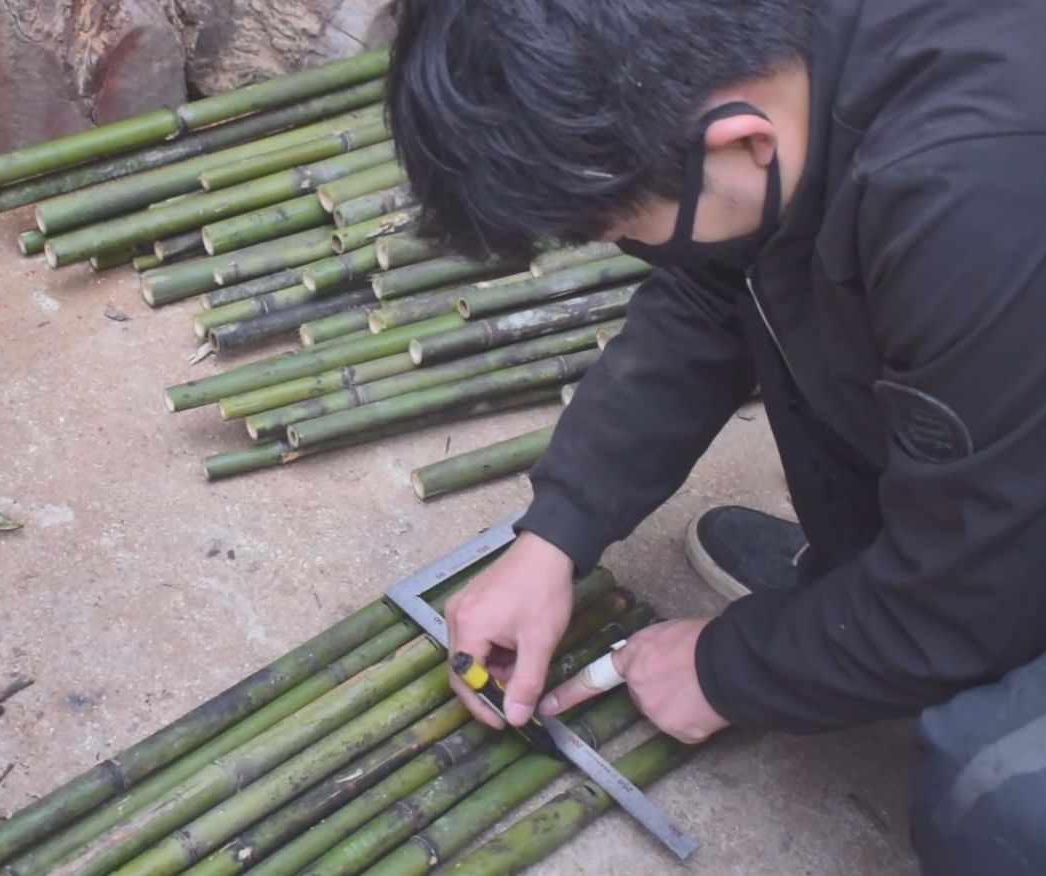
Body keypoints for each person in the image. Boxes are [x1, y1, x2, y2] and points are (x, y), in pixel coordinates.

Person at [384, 1, 1046, 872]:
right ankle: (863, 588)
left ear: (742, 145)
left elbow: (972, 595)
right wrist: (557, 531)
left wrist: (732, 667)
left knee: (989, 804)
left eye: (627, 231)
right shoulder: (779, 76)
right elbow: (713, 287)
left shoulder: (968, 199)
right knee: (799, 310)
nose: (633, 249)